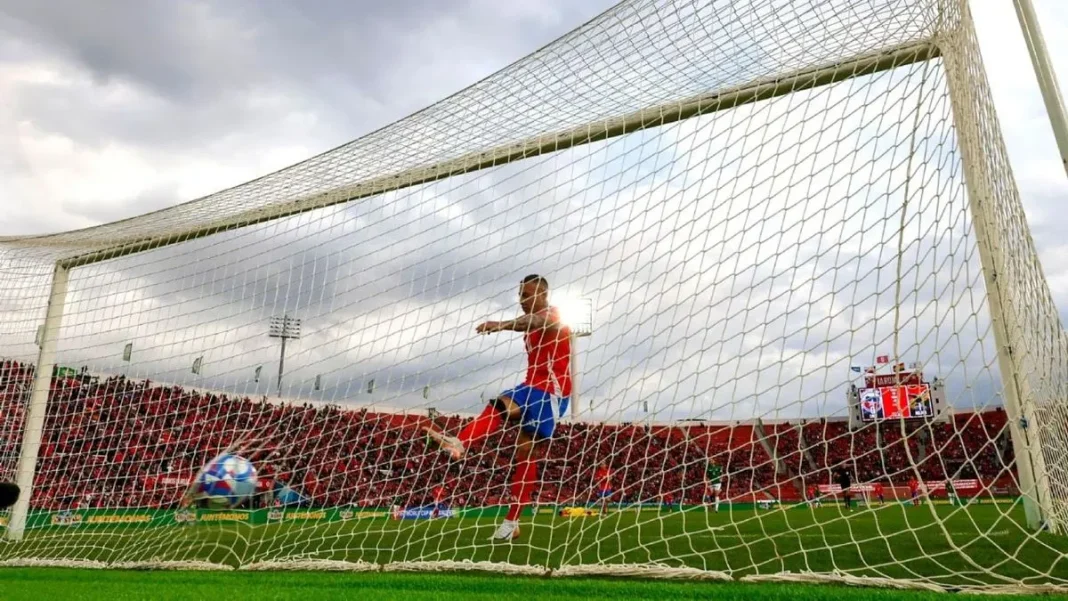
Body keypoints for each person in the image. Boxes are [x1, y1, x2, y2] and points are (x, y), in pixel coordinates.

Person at [424, 274, 572, 542]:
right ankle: (460, 443)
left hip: (552, 391)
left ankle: (512, 520)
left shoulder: (554, 314)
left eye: (527, 295)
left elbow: (536, 320)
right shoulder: (530, 330)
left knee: (526, 453)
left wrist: (502, 325)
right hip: (530, 387)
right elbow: (530, 324)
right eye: (520, 296)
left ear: (543, 295)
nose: (523, 300)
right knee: (499, 405)